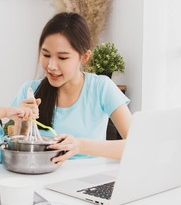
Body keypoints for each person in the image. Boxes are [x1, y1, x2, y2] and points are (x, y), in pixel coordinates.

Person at [12, 12, 132, 163]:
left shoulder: (101, 87)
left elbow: (136, 144)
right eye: (46, 55)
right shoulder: (29, 90)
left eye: (62, 58)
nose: (51, 66)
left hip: (87, 179)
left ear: (84, 57)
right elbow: (16, 150)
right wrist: (21, 123)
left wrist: (80, 145)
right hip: (40, 177)